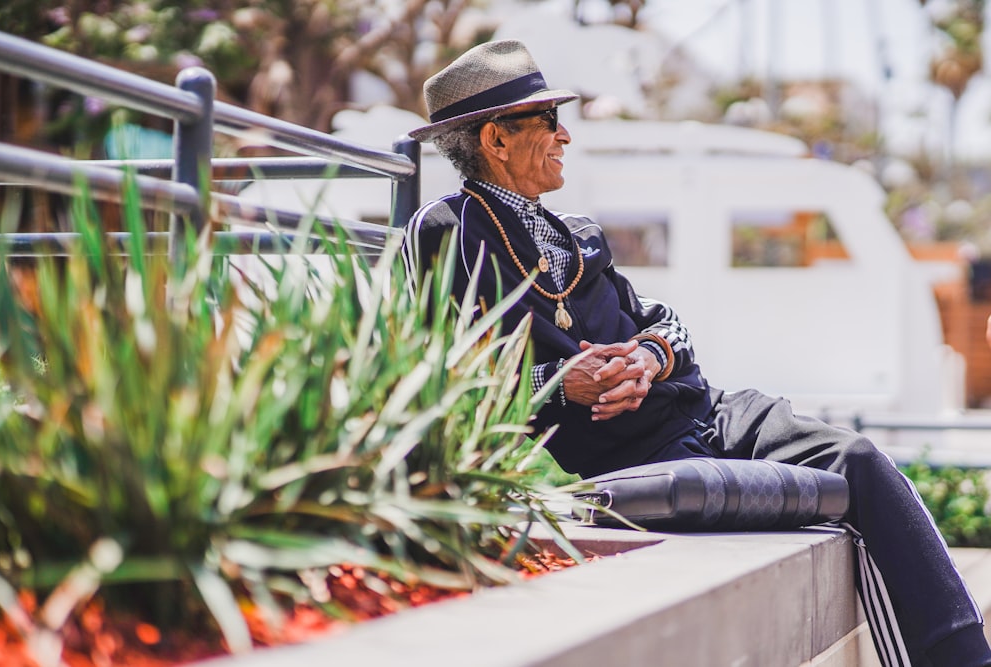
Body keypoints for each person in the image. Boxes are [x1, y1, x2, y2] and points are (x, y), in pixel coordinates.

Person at [402, 39, 991, 667]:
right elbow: (447, 375)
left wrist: (650, 356)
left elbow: (664, 322)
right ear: (496, 140)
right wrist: (559, 385)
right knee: (843, 490)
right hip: (636, 455)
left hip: (706, 410)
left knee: (861, 457)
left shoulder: (578, 234)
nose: (564, 135)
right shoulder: (447, 230)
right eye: (548, 121)